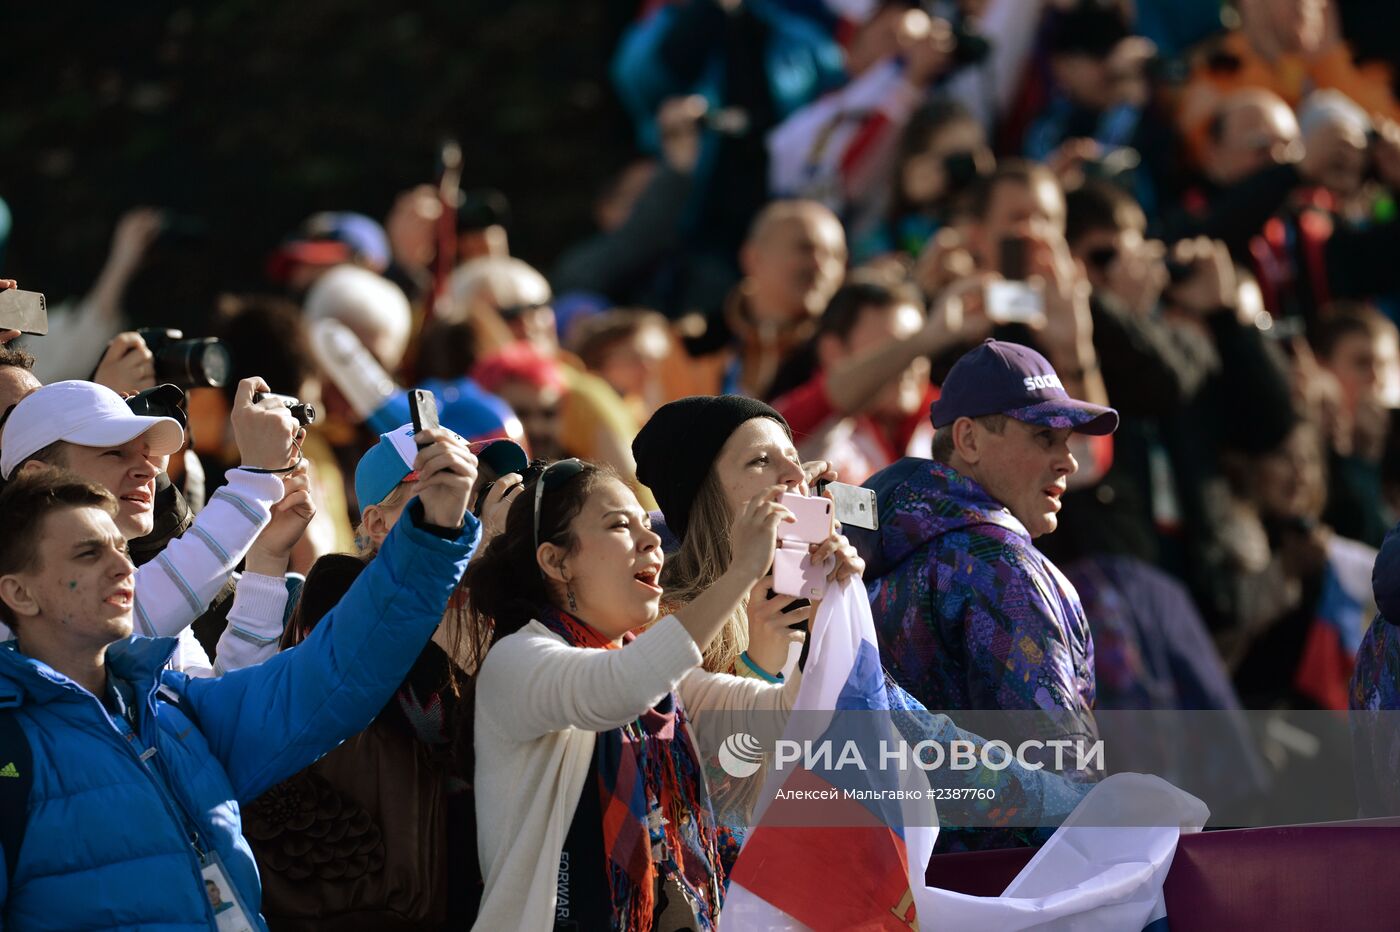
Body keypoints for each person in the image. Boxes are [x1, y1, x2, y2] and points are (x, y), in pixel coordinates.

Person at [0, 436, 479, 928]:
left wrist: (433, 535)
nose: (123, 566)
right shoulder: (10, 750)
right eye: (87, 554)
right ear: (19, 592)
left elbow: (335, 673)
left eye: (120, 548)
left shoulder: (172, 710)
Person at [632, 393, 1091, 857]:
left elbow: (913, 738)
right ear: (703, 495)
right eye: (759, 462)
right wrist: (761, 664)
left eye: (794, 460)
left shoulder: (810, 601)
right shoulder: (660, 629)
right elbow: (711, 812)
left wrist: (1080, 810)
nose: (794, 476)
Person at [467, 458, 800, 930]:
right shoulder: (518, 661)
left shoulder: (660, 681)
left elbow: (783, 715)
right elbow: (619, 686)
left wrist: (827, 600)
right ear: (556, 561)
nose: (653, 542)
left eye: (649, 526)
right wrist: (741, 570)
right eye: (619, 525)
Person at [851, 339, 1117, 757]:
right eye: (1045, 436)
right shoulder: (1005, 568)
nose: (1069, 462)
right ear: (969, 439)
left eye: (1067, 440)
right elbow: (1059, 777)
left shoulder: (861, 547)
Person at [0, 378, 301, 676]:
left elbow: (222, 709)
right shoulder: (12, 580)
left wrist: (266, 560)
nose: (150, 469)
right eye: (115, 452)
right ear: (38, 477)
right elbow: (127, 622)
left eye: (146, 453)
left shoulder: (139, 590)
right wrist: (255, 482)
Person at [768, 276, 980, 486]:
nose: (911, 363)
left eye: (922, 350)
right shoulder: (792, 425)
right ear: (834, 352)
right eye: (894, 349)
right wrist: (923, 339)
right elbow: (832, 396)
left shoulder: (949, 423)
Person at [680, 200, 848, 399]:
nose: (821, 265)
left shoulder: (845, 354)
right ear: (753, 258)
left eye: (835, 255)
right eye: (805, 248)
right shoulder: (690, 345)